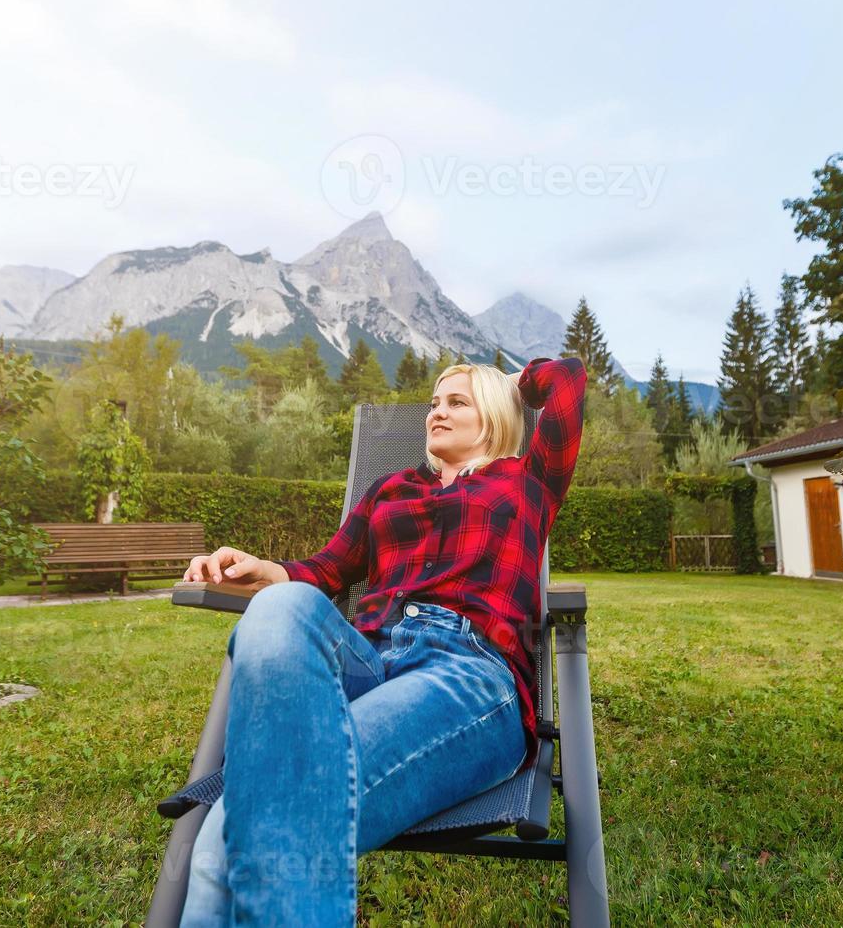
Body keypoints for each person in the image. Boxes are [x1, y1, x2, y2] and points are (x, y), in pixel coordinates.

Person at [178, 356, 587, 926]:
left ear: (493, 418)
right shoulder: (390, 490)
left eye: (457, 402)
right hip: (368, 661)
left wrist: (510, 384)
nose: (436, 412)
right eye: (434, 403)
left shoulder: (527, 480)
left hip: (464, 672)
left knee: (225, 839)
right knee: (281, 605)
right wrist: (263, 569)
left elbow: (567, 380)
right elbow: (322, 572)